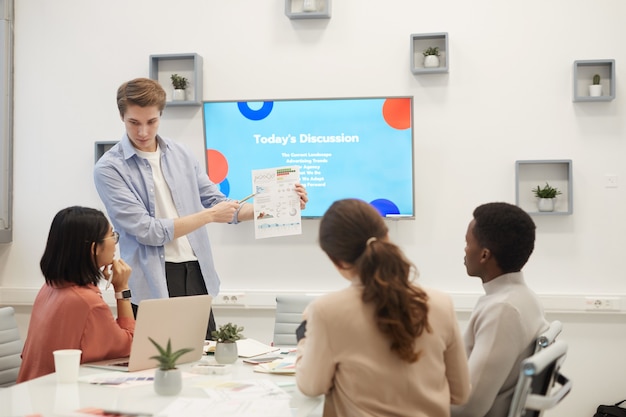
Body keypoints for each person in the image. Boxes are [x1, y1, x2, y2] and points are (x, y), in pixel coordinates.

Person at [93, 78, 308, 338]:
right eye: (134, 123)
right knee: (155, 368)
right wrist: (209, 216)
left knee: (206, 363)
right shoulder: (109, 168)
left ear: (161, 115)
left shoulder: (180, 153)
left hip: (195, 271)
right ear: (122, 117)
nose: (143, 132)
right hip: (150, 280)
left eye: (151, 122)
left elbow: (219, 204)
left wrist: (279, 204)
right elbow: (147, 231)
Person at [295, 198, 470, 417]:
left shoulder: (326, 311)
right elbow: (460, 394)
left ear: (336, 261)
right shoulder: (441, 303)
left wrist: (304, 337)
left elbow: (311, 387)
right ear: (387, 236)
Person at [451, 202, 549, 417]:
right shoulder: (524, 297)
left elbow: (468, 407)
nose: (465, 250)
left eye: (467, 243)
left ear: (484, 255)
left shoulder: (502, 310)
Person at [17, 206, 134, 383]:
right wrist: (122, 289)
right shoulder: (88, 303)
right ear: (94, 248)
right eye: (112, 235)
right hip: (57, 403)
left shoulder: (48, 288)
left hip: (30, 395)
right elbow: (130, 346)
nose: (115, 242)